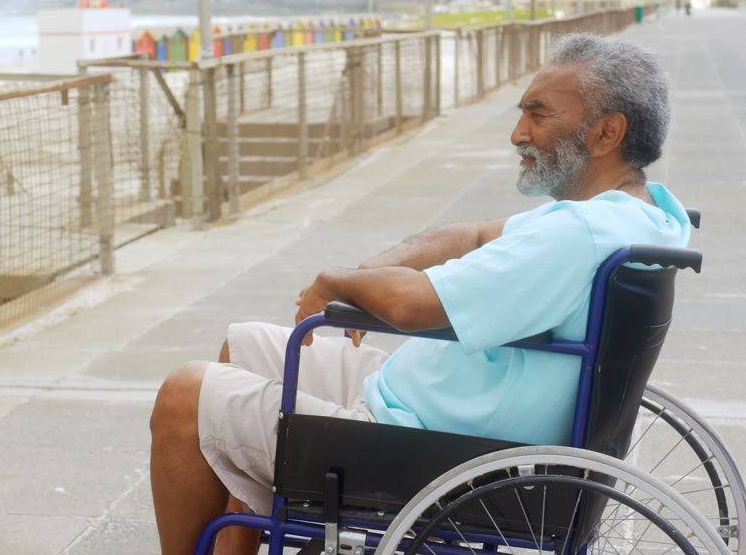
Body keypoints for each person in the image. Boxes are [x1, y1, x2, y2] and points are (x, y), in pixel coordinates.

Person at [149, 33, 690, 555]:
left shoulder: (577, 235)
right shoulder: (634, 216)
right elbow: (471, 235)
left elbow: (408, 306)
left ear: (606, 133)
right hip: (426, 407)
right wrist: (372, 270)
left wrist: (339, 281)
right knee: (242, 346)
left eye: (539, 114)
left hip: (427, 446)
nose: (518, 133)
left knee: (186, 395)